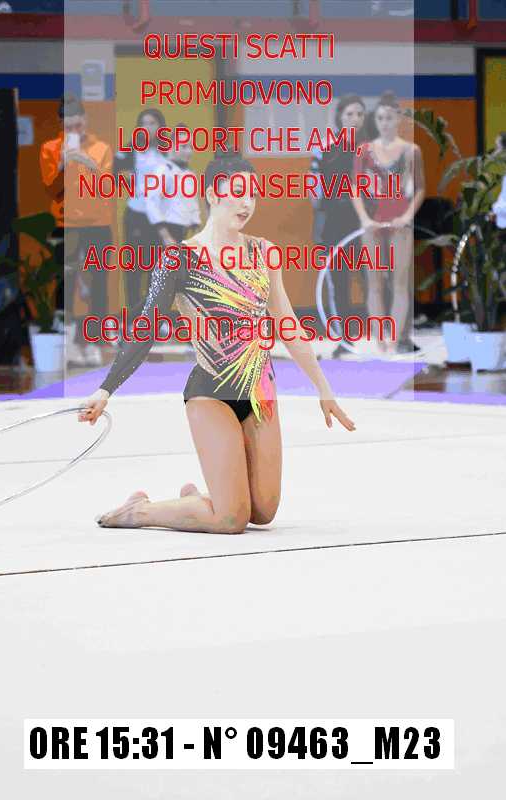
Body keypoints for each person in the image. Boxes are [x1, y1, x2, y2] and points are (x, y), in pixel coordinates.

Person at [78, 155, 356, 534]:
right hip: (211, 392)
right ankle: (139, 511)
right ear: (213, 194)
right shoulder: (179, 259)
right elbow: (146, 328)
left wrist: (324, 389)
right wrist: (105, 389)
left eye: (252, 194)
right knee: (231, 520)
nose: (247, 203)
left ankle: (198, 499)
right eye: (238, 192)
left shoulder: (264, 252)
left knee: (263, 511)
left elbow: (288, 324)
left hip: (259, 391)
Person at [40, 94, 113, 367]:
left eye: (78, 125)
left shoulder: (101, 147)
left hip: (98, 223)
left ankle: (92, 342)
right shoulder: (50, 148)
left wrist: (88, 163)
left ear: (85, 120)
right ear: (61, 124)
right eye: (68, 126)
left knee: (98, 283)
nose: (73, 130)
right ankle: (68, 344)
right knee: (65, 282)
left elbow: (107, 187)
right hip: (65, 223)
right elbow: (51, 189)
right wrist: (61, 165)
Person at [352, 91, 425, 355]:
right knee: (374, 283)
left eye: (390, 118)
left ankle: (394, 340)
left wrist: (406, 217)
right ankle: (379, 340)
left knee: (399, 283)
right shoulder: (364, 151)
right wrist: (364, 218)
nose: (385, 123)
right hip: (372, 222)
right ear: (376, 120)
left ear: (398, 120)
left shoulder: (411, 151)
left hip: (399, 223)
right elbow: (355, 188)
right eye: (381, 118)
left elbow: (420, 188)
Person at [310, 94, 367, 356]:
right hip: (334, 224)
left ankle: (389, 336)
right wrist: (325, 205)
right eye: (349, 114)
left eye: (359, 114)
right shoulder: (324, 147)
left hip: (364, 223)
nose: (355, 119)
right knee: (339, 281)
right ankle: (344, 339)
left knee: (372, 278)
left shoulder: (370, 149)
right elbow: (314, 188)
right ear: (339, 117)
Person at [115, 108, 169, 317]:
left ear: (160, 126)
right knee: (134, 267)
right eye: (144, 123)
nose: (148, 127)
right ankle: (134, 317)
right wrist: (125, 178)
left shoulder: (168, 150)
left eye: (152, 123)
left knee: (158, 269)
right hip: (137, 215)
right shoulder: (131, 149)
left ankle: (153, 317)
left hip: (161, 219)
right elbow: (113, 170)